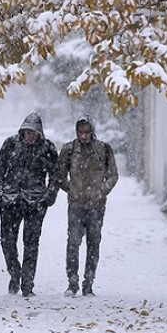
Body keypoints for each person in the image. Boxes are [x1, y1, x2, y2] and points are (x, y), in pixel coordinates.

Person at [0, 112, 60, 297]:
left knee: (31, 243)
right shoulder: (10, 144)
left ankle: (27, 284)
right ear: (22, 132)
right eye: (27, 133)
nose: (30, 137)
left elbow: (56, 176)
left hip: (35, 201)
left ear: (39, 133)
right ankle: (15, 273)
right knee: (7, 241)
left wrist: (48, 197)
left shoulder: (47, 148)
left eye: (33, 133)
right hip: (10, 200)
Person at [59, 113, 119, 297]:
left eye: (87, 132)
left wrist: (102, 190)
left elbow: (113, 174)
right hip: (76, 205)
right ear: (76, 132)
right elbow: (59, 175)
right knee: (73, 244)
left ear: (92, 132)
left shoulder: (103, 150)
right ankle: (72, 282)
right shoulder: (69, 150)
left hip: (96, 206)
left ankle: (89, 282)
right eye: (80, 132)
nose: (84, 135)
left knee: (93, 245)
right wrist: (72, 189)